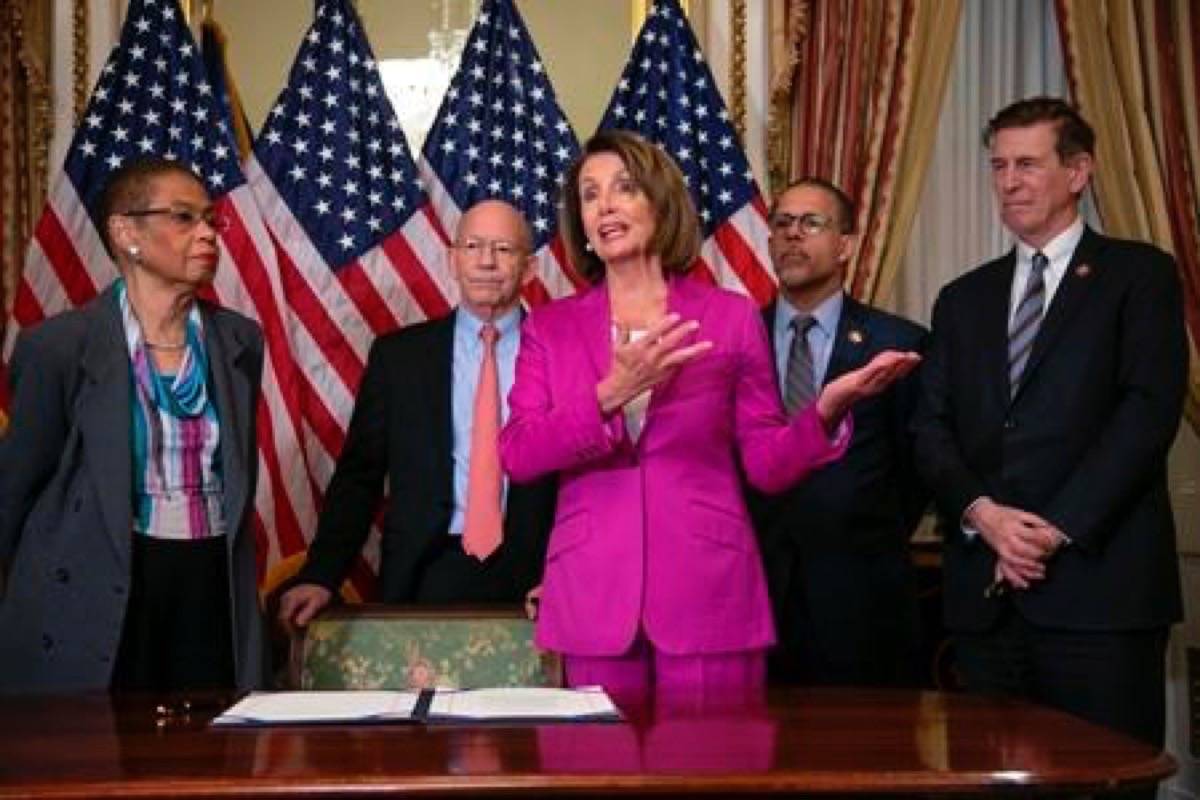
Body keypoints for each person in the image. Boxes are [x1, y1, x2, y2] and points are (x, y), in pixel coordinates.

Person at [499, 130, 919, 693]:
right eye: (590, 194)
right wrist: (610, 393)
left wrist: (823, 411)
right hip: (594, 596)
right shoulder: (551, 328)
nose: (605, 205)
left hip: (708, 592)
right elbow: (519, 453)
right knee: (597, 775)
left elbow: (767, 465)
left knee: (712, 774)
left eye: (624, 187)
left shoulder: (730, 317)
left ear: (661, 202)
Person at [913, 97, 1187, 752]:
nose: (1009, 182)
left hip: (1101, 597)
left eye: (1028, 164)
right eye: (999, 165)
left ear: (1078, 171)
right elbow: (929, 427)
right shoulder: (962, 298)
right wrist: (986, 515)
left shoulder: (1139, 275)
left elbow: (1146, 415)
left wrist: (1047, 533)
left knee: (1107, 777)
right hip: (985, 605)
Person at [0, 157, 266, 692]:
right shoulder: (59, 347)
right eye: (184, 218)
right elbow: (17, 493)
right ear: (126, 233)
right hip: (97, 580)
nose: (207, 234)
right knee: (101, 755)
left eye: (212, 220)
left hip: (207, 577)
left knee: (207, 754)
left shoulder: (240, 341)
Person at [278, 199, 556, 629]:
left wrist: (570, 574)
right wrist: (322, 574)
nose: (486, 261)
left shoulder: (561, 353)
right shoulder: (399, 358)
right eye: (472, 246)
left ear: (531, 267)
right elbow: (359, 476)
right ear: (452, 259)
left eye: (503, 249)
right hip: (425, 572)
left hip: (538, 579)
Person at [749, 178, 928, 687]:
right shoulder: (740, 338)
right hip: (755, 596)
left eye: (810, 223)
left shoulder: (897, 343)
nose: (791, 236)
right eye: (781, 224)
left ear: (845, 245)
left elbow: (916, 470)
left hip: (862, 601)